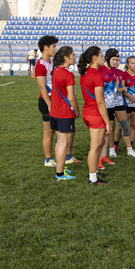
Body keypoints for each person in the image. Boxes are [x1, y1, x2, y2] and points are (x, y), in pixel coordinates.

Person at [78, 46, 112, 185]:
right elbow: (100, 102)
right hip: (95, 114)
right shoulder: (96, 75)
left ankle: (95, 171)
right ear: (94, 57)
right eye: (101, 55)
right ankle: (92, 178)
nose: (103, 57)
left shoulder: (86, 73)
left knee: (99, 144)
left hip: (88, 112)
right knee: (95, 146)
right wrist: (107, 122)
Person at [101, 49, 135, 159]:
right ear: (107, 59)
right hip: (108, 104)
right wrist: (118, 89)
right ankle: (111, 149)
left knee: (125, 125)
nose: (116, 63)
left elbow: (128, 81)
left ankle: (129, 149)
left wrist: (123, 89)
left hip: (119, 102)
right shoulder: (101, 70)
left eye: (118, 60)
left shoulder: (119, 72)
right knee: (110, 127)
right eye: (114, 60)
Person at [50, 46, 79, 181]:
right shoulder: (68, 74)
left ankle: (60, 169)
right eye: (72, 55)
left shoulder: (56, 70)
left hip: (55, 111)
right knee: (63, 142)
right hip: (65, 112)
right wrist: (77, 110)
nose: (75, 57)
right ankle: (60, 173)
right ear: (66, 58)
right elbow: (71, 97)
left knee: (60, 141)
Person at [35, 36, 57, 167]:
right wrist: (49, 104)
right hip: (46, 101)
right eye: (53, 46)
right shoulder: (40, 65)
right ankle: (48, 159)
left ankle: (65, 156)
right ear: (45, 47)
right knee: (48, 132)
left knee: (57, 131)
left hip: (55, 100)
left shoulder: (51, 62)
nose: (55, 49)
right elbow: (42, 86)